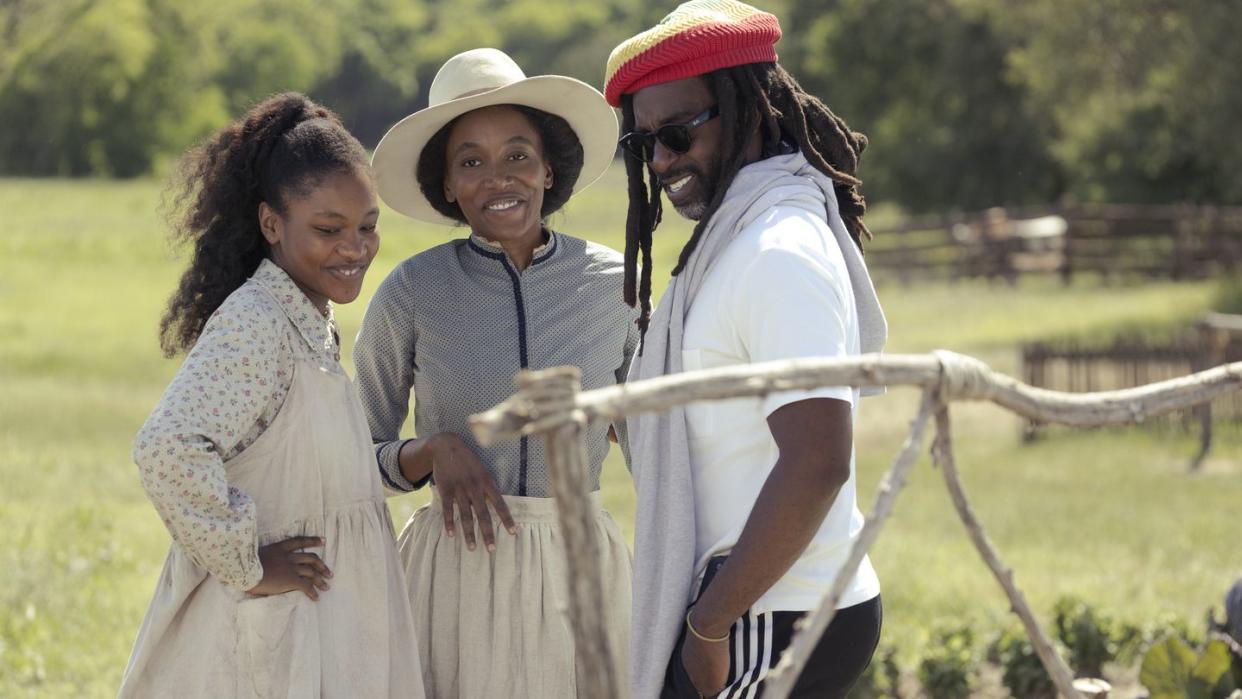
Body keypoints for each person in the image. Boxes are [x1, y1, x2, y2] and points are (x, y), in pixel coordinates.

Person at [603, 2, 889, 697]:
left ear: (752, 108)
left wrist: (709, 623)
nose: (663, 159)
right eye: (645, 145)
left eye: (676, 132)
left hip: (766, 609)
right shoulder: (736, 241)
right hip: (754, 602)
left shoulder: (778, 251)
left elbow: (818, 459)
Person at [119, 93, 425, 698]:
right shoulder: (257, 323)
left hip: (326, 625)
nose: (355, 247)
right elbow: (166, 446)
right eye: (328, 230)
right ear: (271, 224)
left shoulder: (310, 318)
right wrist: (247, 563)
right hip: (275, 635)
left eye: (367, 226)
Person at [357, 48, 637, 697]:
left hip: (581, 563)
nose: (498, 177)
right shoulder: (411, 291)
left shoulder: (615, 285)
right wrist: (431, 450)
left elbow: (654, 436)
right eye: (471, 161)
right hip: (455, 566)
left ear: (548, 168)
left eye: (517, 154)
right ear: (448, 184)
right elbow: (355, 456)